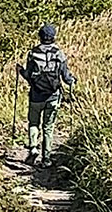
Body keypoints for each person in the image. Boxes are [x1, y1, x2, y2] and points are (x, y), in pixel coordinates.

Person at [18, 23, 75, 167]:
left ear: (40, 37)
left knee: (33, 123)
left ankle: (33, 148)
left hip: (36, 95)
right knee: (48, 127)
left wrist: (20, 71)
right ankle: (46, 158)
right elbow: (66, 77)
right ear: (53, 36)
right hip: (53, 96)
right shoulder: (59, 54)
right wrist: (72, 81)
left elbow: (28, 75)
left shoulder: (33, 53)